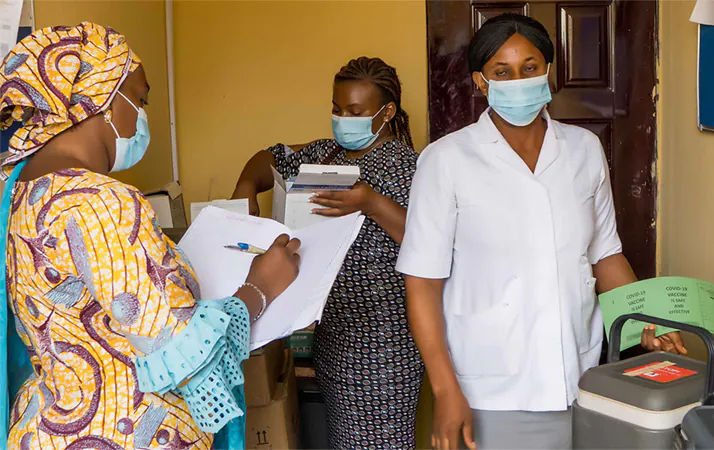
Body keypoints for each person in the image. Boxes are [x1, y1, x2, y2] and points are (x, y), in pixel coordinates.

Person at [0, 23, 300, 449]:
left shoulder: (19, 191)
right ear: (100, 98)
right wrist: (260, 286)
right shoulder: (101, 201)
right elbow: (184, 352)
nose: (143, 114)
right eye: (139, 99)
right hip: (123, 432)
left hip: (46, 428)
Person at [396, 13, 687, 450]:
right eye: (502, 72)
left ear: (548, 72)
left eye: (529, 67)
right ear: (480, 81)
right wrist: (444, 389)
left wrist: (645, 319)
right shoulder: (446, 161)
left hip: (583, 377)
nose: (518, 80)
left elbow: (605, 255)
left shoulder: (583, 150)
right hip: (490, 388)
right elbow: (421, 282)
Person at [232, 56, 422, 449]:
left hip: (385, 345)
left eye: (355, 112)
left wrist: (370, 201)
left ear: (386, 113)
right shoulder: (326, 154)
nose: (342, 119)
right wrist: (247, 184)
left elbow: (425, 241)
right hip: (335, 336)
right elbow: (268, 158)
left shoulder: (406, 166)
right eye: (337, 109)